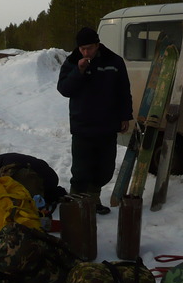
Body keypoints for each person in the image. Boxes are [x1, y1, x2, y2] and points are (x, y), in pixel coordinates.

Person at [57, 27, 133, 215]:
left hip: (107, 125)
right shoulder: (73, 61)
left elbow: (124, 91)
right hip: (82, 125)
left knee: (104, 170)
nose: (85, 52)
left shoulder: (114, 61)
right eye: (82, 48)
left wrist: (125, 116)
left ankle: (93, 199)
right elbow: (64, 89)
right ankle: (76, 204)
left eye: (89, 48)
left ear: (97, 45)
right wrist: (79, 71)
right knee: (81, 170)